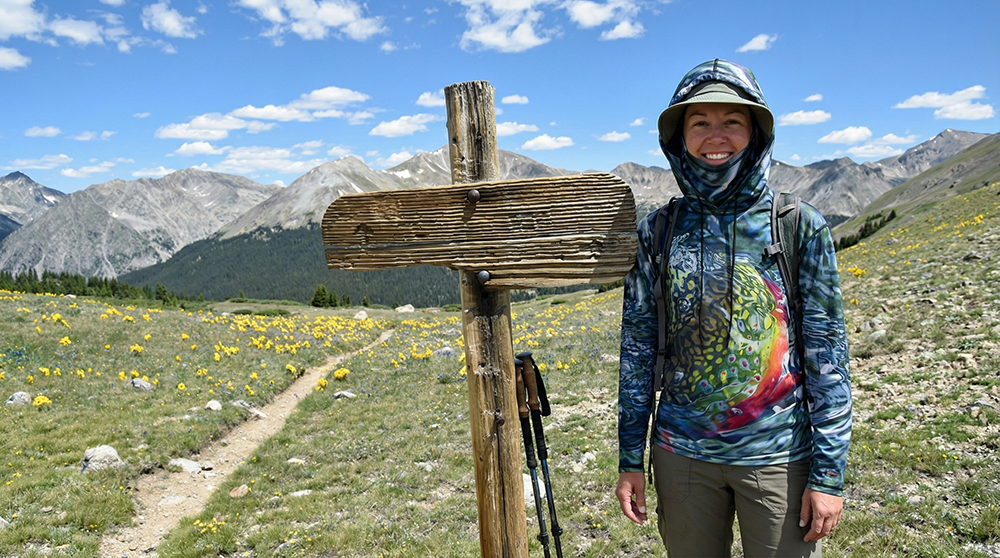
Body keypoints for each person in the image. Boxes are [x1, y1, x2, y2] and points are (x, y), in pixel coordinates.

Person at [615, 59, 852, 558]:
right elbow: (636, 352)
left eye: (732, 121)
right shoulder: (657, 232)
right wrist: (630, 459)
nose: (715, 135)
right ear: (679, 136)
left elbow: (828, 358)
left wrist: (829, 475)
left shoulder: (798, 226)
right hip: (680, 459)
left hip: (779, 458)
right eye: (699, 122)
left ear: (757, 132)